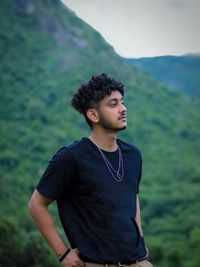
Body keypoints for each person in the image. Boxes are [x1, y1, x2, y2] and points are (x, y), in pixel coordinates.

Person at [29, 73, 153, 267]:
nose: (123, 109)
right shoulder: (71, 158)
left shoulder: (133, 155)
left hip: (138, 262)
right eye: (113, 104)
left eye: (122, 102)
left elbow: (132, 198)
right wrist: (63, 254)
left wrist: (141, 244)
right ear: (93, 115)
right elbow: (36, 204)